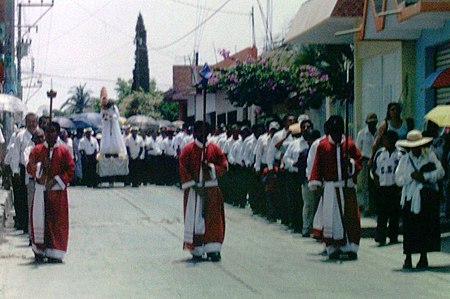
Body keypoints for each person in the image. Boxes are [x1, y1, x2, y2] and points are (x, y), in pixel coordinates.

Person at [309, 115, 362, 260]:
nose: (337, 136)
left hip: (347, 187)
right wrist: (315, 182)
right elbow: (317, 165)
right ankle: (332, 247)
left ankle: (350, 246)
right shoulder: (323, 146)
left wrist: (350, 163)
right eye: (334, 133)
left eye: (339, 133)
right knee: (331, 218)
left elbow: (359, 161)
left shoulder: (349, 145)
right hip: (331, 187)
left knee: (350, 217)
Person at [395, 130, 444, 269]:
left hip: (426, 198)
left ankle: (423, 256)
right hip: (410, 198)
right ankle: (408, 257)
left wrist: (425, 176)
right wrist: (411, 176)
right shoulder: (404, 160)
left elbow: (440, 172)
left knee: (425, 227)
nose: (416, 148)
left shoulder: (430, 156)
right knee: (409, 229)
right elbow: (398, 179)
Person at [179, 121, 227, 262]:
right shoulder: (188, 149)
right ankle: (197, 248)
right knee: (196, 220)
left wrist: (211, 168)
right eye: (200, 131)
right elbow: (183, 168)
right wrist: (195, 186)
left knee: (213, 219)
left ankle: (212, 249)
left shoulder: (214, 149)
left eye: (205, 131)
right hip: (195, 190)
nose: (203, 134)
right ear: (195, 132)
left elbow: (224, 166)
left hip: (211, 189)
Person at [27, 121, 75, 263]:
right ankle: (39, 250)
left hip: (57, 193)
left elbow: (70, 170)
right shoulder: (37, 150)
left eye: (52, 131)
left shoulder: (64, 151)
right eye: (47, 131)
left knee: (56, 222)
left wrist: (56, 181)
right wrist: (40, 168)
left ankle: (55, 251)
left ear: (58, 133)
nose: (49, 134)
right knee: (40, 220)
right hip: (41, 192)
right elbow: (30, 167)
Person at [371, 130, 403, 246]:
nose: (385, 142)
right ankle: (380, 236)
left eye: (388, 140)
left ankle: (393, 235)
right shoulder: (380, 153)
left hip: (394, 187)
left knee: (394, 213)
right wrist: (376, 182)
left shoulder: (400, 154)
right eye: (384, 140)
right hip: (383, 187)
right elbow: (374, 169)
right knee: (382, 213)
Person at [11, 112, 38, 232]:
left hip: (37, 171)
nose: (32, 124)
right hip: (23, 169)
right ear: (26, 123)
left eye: (34, 122)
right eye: (29, 122)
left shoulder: (40, 134)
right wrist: (15, 171)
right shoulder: (20, 136)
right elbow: (16, 154)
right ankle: (24, 224)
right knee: (23, 199)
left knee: (34, 200)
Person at [356, 113, 378, 216]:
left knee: (375, 184)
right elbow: (358, 148)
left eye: (374, 123)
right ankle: (367, 207)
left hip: (376, 160)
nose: (372, 125)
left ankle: (375, 206)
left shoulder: (379, 133)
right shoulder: (362, 133)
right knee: (366, 185)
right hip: (365, 160)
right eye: (370, 123)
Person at [99, 87, 126, 155]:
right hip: (106, 125)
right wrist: (105, 118)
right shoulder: (103, 108)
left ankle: (117, 148)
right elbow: (101, 116)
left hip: (113, 124)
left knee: (115, 136)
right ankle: (106, 150)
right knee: (106, 137)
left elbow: (117, 115)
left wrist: (111, 117)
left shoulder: (113, 106)